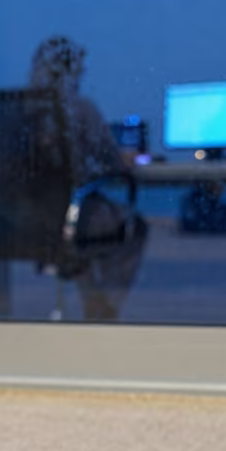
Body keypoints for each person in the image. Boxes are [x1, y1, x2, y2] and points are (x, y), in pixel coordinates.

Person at [28, 36, 147, 320]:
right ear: (69, 72)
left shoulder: (23, 111)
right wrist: (127, 157)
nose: (82, 76)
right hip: (73, 215)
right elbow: (112, 160)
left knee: (84, 234)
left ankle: (93, 299)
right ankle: (103, 307)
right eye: (79, 70)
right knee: (133, 228)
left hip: (27, 218)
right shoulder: (80, 108)